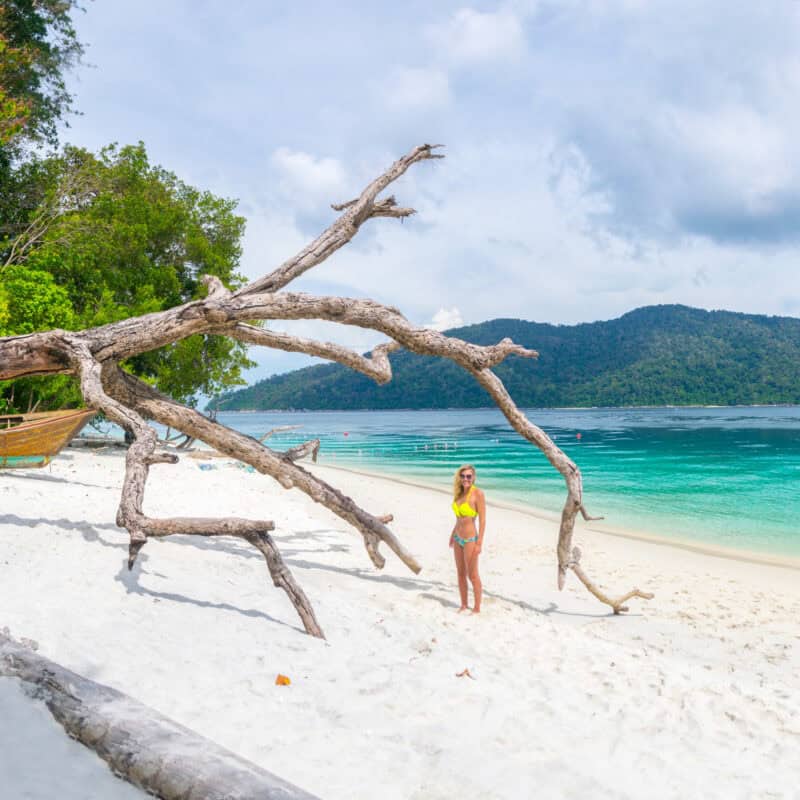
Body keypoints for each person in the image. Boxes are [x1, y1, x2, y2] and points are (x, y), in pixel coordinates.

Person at [449, 464, 486, 614]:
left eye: (469, 476)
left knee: (473, 575)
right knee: (460, 573)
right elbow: (458, 519)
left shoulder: (478, 494)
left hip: (470, 539)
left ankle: (476, 608)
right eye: (463, 476)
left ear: (474, 477)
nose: (466, 479)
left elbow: (482, 521)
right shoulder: (458, 495)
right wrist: (452, 535)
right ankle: (464, 604)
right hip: (458, 538)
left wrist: (479, 543)